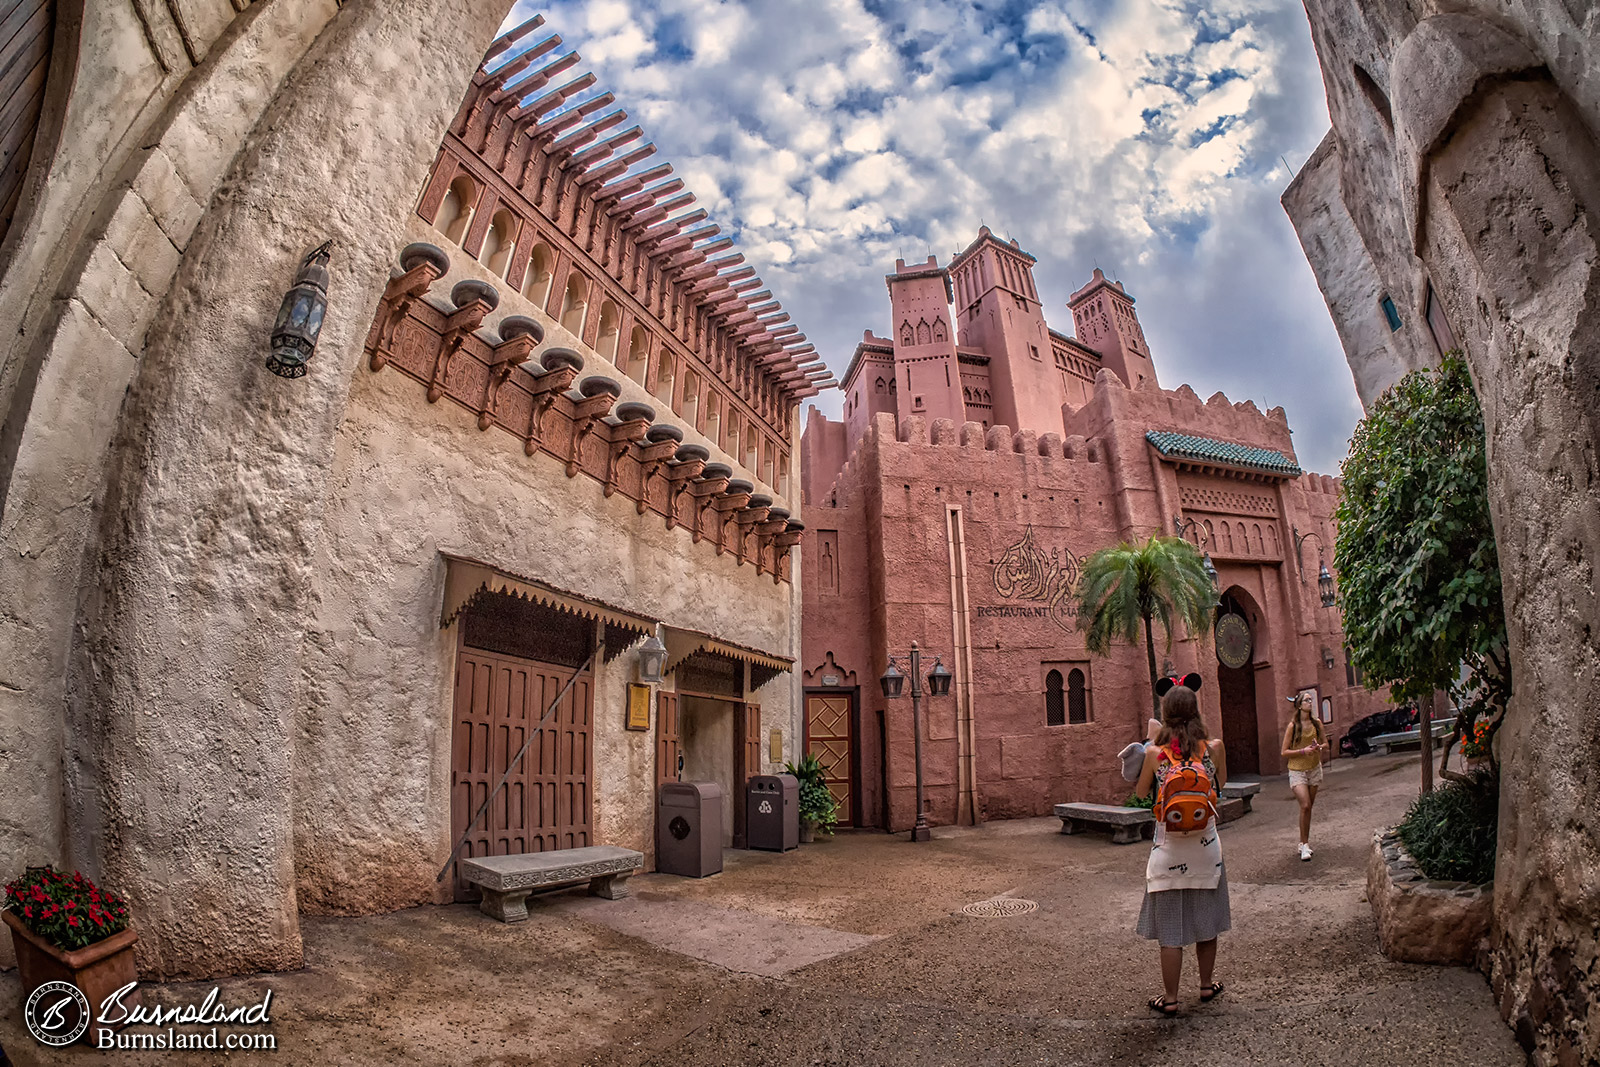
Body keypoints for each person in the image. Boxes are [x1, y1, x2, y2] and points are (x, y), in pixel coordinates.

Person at [1135, 680, 1230, 1016]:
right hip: (1206, 846)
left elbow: (1141, 791)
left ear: (1167, 713)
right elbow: (1223, 783)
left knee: (1171, 931)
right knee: (1207, 920)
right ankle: (1206, 985)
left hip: (1168, 849)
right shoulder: (1213, 747)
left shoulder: (1154, 754)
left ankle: (1171, 998)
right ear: (1195, 712)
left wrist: (1151, 743)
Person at [1282, 693, 1330, 860]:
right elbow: (1284, 751)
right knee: (1305, 805)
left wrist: (1319, 748)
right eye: (1307, 700)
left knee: (1309, 807)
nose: (1310, 703)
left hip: (1314, 768)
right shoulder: (1293, 726)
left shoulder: (1316, 723)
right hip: (1297, 770)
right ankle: (1305, 846)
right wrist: (1303, 751)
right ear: (1300, 705)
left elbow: (1325, 743)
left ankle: (1304, 842)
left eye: (1311, 700)